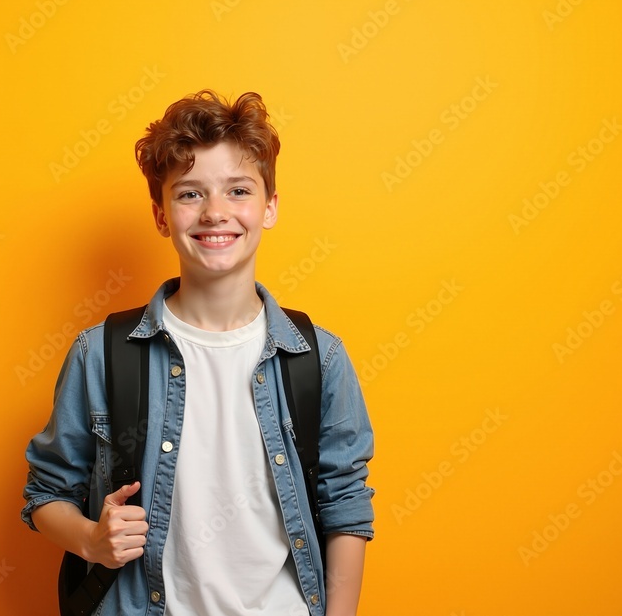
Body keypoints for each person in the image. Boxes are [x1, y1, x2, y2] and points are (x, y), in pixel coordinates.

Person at [22, 90, 374, 616]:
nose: (215, 213)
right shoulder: (99, 354)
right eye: (189, 194)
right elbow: (46, 491)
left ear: (269, 206)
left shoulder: (317, 357)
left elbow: (345, 505)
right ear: (161, 215)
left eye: (238, 190)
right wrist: (91, 540)